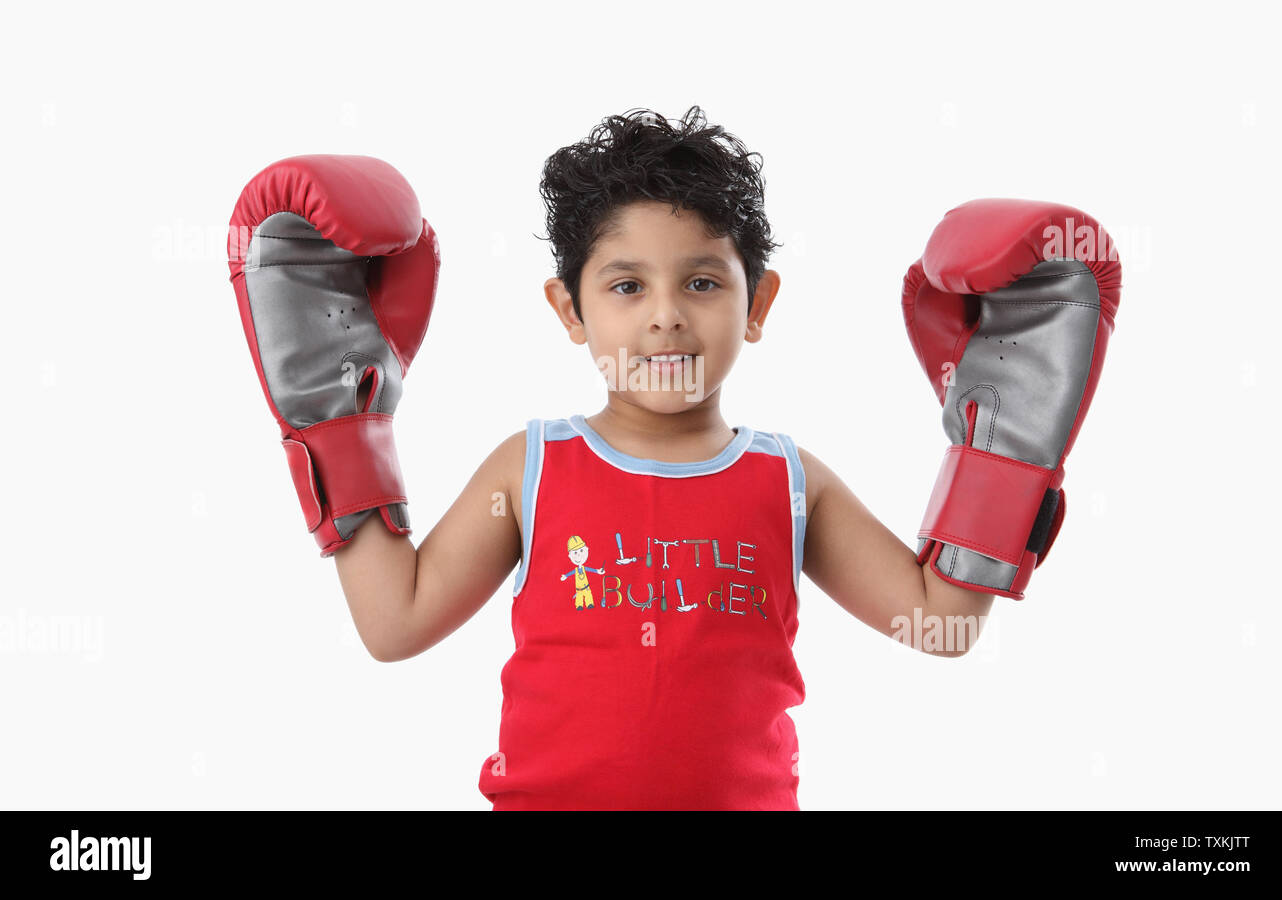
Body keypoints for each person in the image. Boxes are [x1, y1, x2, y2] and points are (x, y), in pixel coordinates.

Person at [228, 106, 1119, 810]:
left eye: (701, 281)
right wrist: (335, 418)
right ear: (569, 311)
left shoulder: (788, 479)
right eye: (625, 285)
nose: (665, 315)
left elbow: (942, 623)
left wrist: (1006, 451)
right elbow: (394, 626)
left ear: (758, 301)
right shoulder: (530, 467)